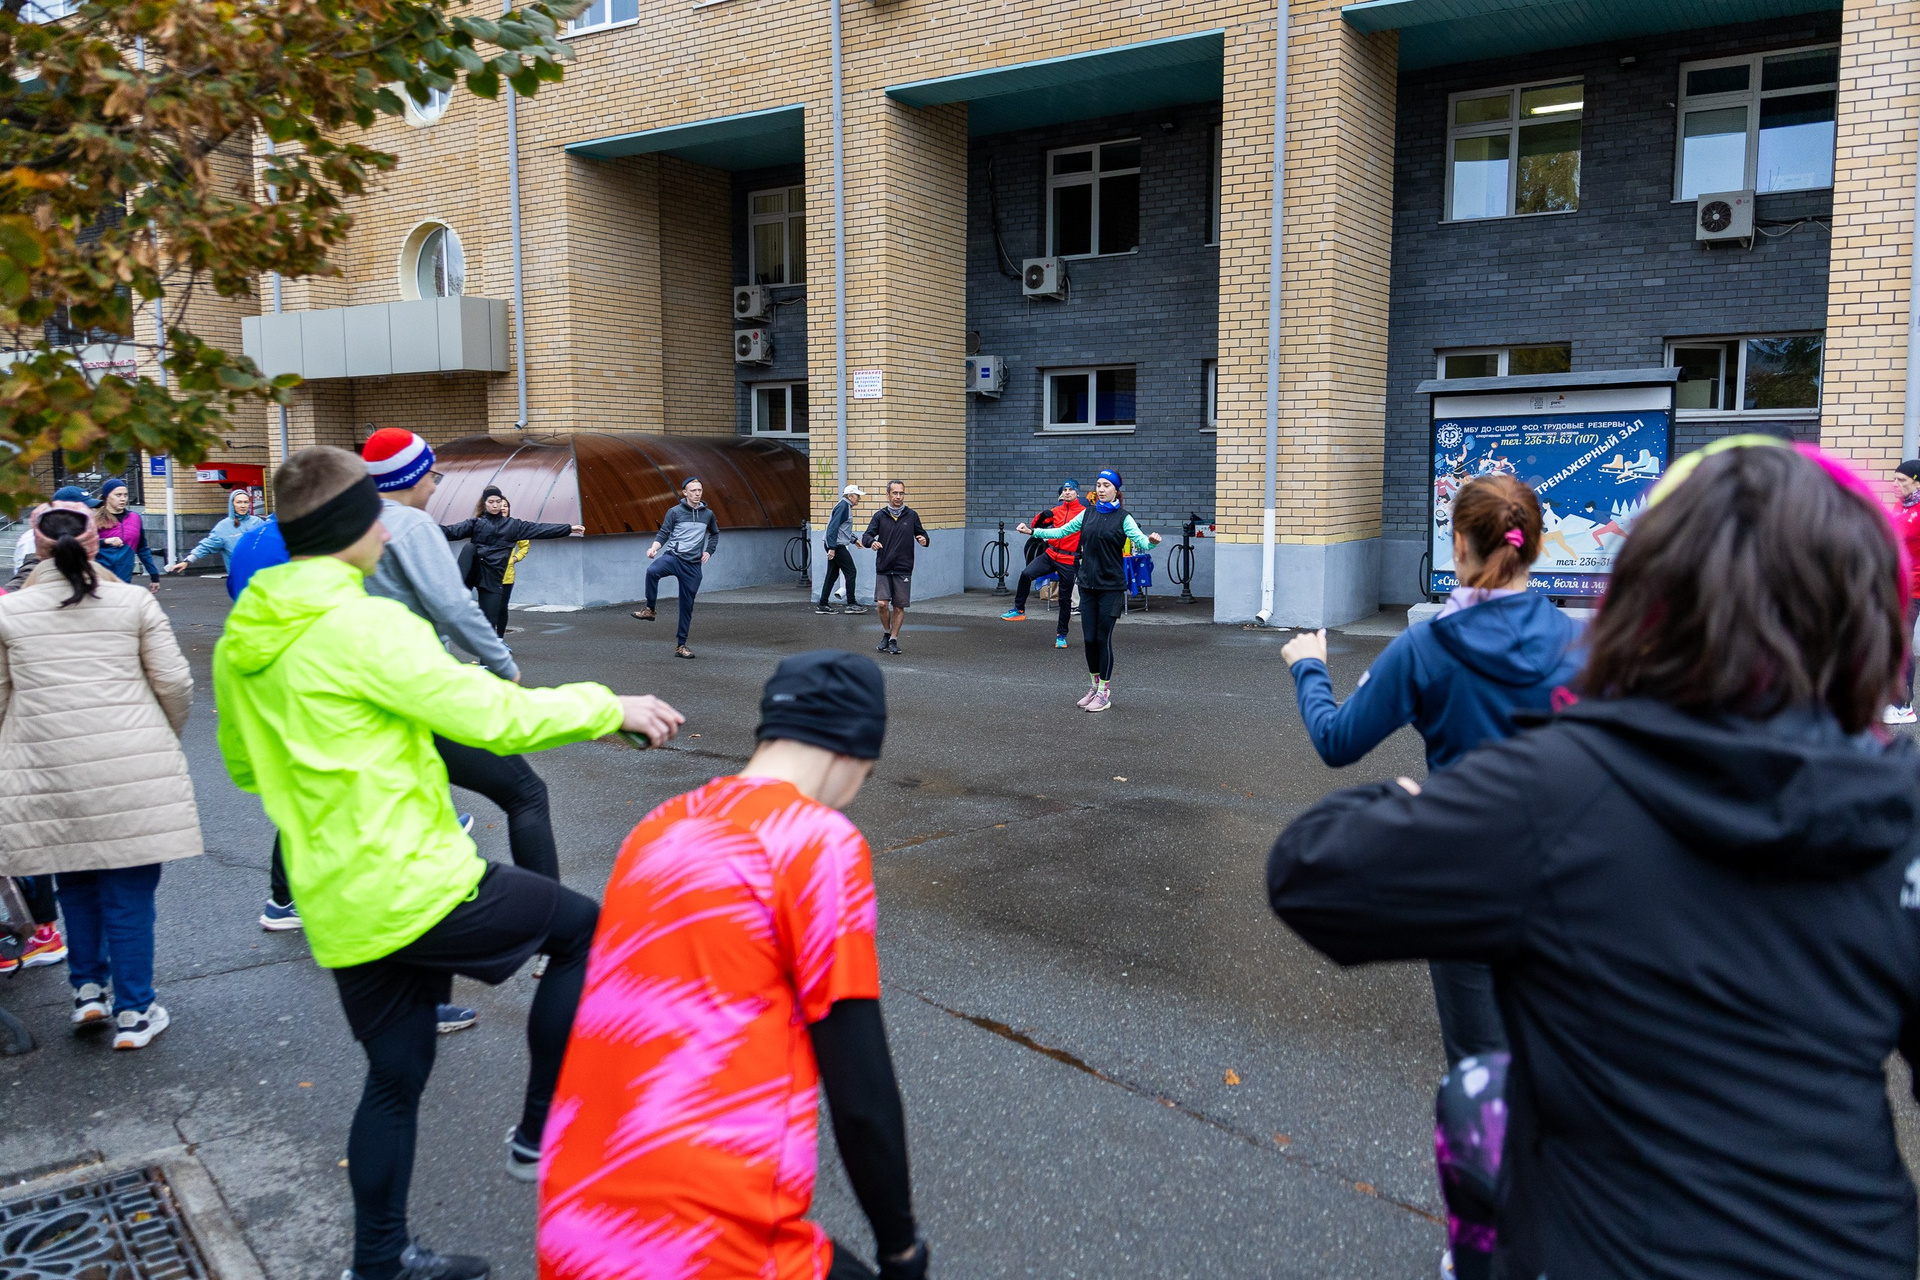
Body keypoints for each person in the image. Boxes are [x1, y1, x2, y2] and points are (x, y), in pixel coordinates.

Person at [1266, 438, 1920, 1280]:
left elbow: (1311, 869)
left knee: (1481, 1082)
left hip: (1611, 1242)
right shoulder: (1898, 809)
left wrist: (1421, 795)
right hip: (1855, 1249)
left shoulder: (1558, 784)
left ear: (1650, 599)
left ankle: (1481, 1240)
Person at [214, 446, 685, 1280]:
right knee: (585, 932)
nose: (387, 527)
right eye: (376, 514)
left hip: (340, 903)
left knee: (394, 1077)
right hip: (416, 882)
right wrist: (609, 706)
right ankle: (541, 1132)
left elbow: (248, 769)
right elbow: (490, 715)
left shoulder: (242, 641)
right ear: (355, 526)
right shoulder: (365, 624)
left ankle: (380, 1261)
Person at [539, 650, 928, 1280]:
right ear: (854, 753)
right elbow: (862, 1096)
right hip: (708, 1244)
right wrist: (901, 1249)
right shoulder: (815, 842)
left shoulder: (658, 827)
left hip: (575, 1225)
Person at [1280, 473, 1578, 1071]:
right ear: (1536, 545)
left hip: (1467, 884)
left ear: (1459, 545)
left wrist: (1309, 667)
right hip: (1570, 883)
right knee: (1561, 1064)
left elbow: (1337, 741)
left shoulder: (1426, 648)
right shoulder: (1587, 643)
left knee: (1479, 1070)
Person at [0, 502, 202, 1049]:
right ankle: (135, 1011)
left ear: (37, 547)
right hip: (132, 761)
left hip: (48, 767)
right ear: (96, 544)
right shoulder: (133, 601)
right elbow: (175, 683)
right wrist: (160, 734)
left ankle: (88, 992)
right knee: (129, 892)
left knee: (75, 884)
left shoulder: (10, 612)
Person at [1018, 470, 1159, 712]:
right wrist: (1033, 532)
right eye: (1098, 485)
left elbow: (1141, 541)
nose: (1101, 489)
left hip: (1111, 588)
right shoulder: (1087, 513)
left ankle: (1104, 692)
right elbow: (1061, 531)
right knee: (1089, 639)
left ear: (1116, 490)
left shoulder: (1124, 518)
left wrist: (1152, 542)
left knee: (1103, 639)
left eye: (1107, 485)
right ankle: (1094, 687)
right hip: (1087, 585)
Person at [441, 487, 581, 638]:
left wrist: (568, 529)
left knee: (489, 624)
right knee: (469, 548)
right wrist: (426, 527)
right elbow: (451, 531)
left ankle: (489, 652)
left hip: (493, 577)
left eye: (498, 501)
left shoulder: (513, 526)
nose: (495, 505)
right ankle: (457, 592)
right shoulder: (475, 524)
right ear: (485, 503)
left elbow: (540, 529)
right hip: (477, 569)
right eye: (491, 502)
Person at [633, 475, 717, 658]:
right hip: (674, 558)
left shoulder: (708, 514)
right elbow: (664, 533)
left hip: (693, 566)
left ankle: (681, 646)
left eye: (699, 490)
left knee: (687, 606)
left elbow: (715, 534)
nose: (697, 493)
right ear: (685, 493)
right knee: (652, 571)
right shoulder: (674, 512)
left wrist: (709, 551)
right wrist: (654, 548)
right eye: (693, 490)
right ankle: (650, 609)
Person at [1000, 479, 1084, 649]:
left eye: (1071, 490)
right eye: (1065, 490)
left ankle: (1061, 635)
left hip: (1069, 560)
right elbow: (1036, 527)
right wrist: (1043, 516)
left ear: (1077, 493)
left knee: (1065, 599)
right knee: (1026, 574)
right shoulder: (1056, 511)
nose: (1067, 492)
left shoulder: (1083, 513)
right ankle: (1019, 609)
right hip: (1051, 554)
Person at [860, 480, 929, 655]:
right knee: (882, 604)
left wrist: (924, 539)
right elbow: (866, 536)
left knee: (898, 606)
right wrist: (872, 542)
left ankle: (893, 639)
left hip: (903, 567)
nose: (898, 496)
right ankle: (886, 632)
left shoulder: (911, 515)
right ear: (888, 495)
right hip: (884, 567)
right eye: (895, 493)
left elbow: (922, 534)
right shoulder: (880, 516)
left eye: (901, 493)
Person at [1886, 458, 1920, 724]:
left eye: (1902, 480)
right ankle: (1898, 701)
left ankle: (1903, 707)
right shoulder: (1901, 505)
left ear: (1917, 483)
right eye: (1895, 478)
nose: (1895, 484)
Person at [165, 487, 265, 576]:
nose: (243, 506)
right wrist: (187, 561)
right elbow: (206, 546)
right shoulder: (224, 527)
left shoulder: (258, 522)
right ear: (232, 504)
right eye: (239, 502)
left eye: (245, 502)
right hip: (240, 578)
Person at [93, 478, 163, 591]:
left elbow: (142, 548)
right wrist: (106, 541)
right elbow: (83, 545)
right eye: (118, 495)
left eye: (125, 495)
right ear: (106, 497)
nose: (123, 499)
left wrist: (154, 575)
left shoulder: (135, 518)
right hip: (100, 577)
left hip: (124, 577)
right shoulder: (95, 519)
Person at [818, 482, 868, 615]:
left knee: (832, 574)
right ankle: (851, 604)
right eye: (857, 496)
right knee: (851, 571)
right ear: (850, 496)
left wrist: (854, 540)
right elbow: (833, 528)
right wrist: (832, 548)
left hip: (833, 544)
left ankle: (823, 604)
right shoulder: (843, 507)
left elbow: (842, 529)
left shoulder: (844, 506)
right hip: (836, 545)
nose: (859, 498)